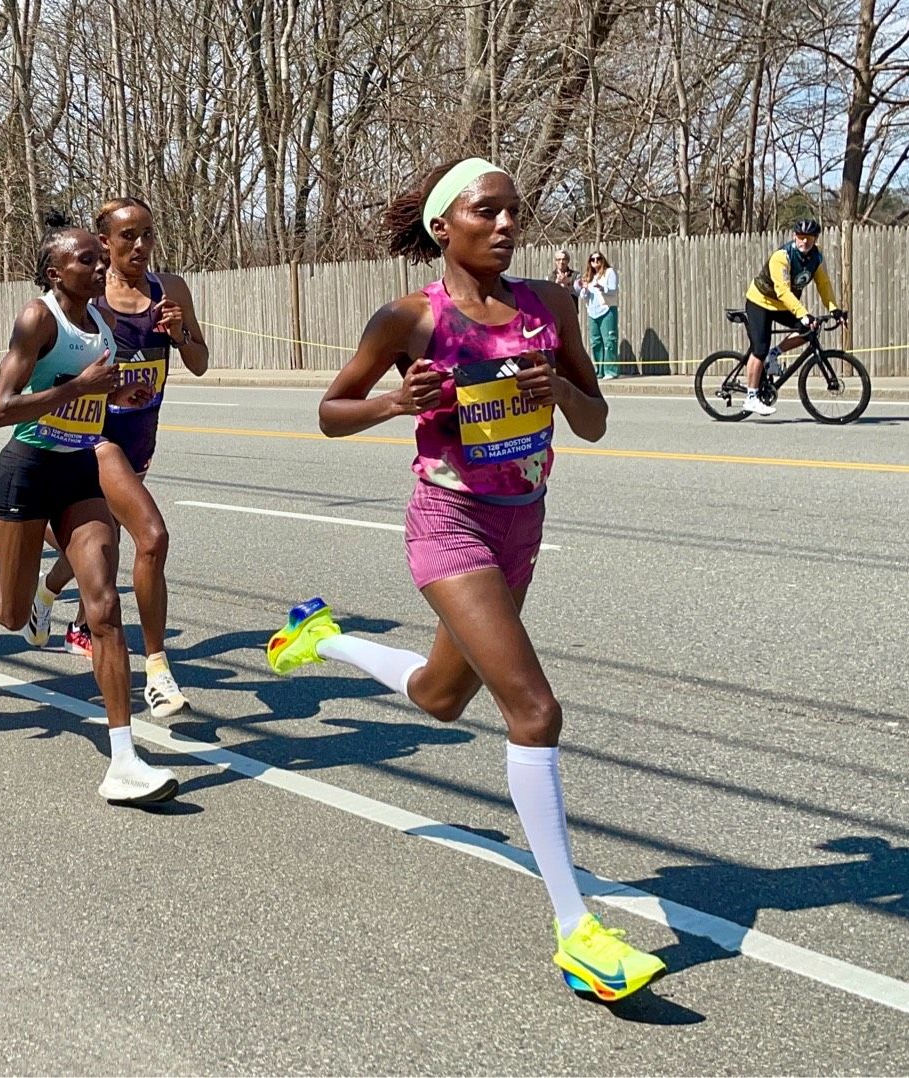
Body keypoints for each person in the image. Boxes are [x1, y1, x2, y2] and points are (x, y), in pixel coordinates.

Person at [264, 157, 665, 1001]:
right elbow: (330, 413)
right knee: (534, 710)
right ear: (446, 227)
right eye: (489, 211)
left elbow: (593, 423)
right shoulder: (411, 318)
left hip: (524, 520)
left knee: (442, 697)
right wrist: (393, 404)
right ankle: (577, 930)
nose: (508, 224)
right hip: (450, 524)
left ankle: (323, 637)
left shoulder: (549, 308)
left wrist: (557, 384)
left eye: (516, 211)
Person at [0, 217, 179, 807]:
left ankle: (124, 760)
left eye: (99, 258)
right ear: (56, 272)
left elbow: (92, 385)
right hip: (28, 468)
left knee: (103, 606)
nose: (100, 265)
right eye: (86, 260)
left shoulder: (98, 318)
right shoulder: (39, 316)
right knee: (10, 610)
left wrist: (116, 392)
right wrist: (81, 388)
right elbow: (2, 408)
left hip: (79, 471)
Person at [36, 197, 207, 719]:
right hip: (94, 439)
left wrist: (178, 333)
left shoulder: (170, 289)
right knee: (151, 537)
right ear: (104, 243)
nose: (140, 246)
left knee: (102, 543)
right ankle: (157, 670)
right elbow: (57, 376)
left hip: (140, 442)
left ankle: (44, 598)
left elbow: (200, 363)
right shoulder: (90, 297)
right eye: (127, 236)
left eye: (147, 234)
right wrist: (108, 395)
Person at [740, 218, 848, 416]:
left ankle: (774, 354)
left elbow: (824, 285)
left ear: (815, 239)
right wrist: (803, 313)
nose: (804, 242)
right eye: (800, 237)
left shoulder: (816, 258)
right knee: (759, 348)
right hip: (760, 302)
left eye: (808, 238)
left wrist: (834, 309)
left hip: (783, 306)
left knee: (810, 330)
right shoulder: (782, 257)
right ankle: (751, 397)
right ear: (794, 237)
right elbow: (783, 291)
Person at [581, 251, 620, 378]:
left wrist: (602, 288)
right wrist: (585, 288)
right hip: (593, 312)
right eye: (593, 259)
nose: (596, 261)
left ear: (602, 259)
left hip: (607, 309)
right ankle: (599, 370)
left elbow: (613, 290)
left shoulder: (609, 272)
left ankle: (611, 371)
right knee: (596, 342)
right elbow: (583, 296)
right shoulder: (588, 276)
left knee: (609, 341)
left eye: (598, 258)